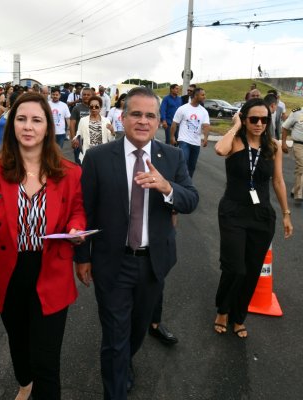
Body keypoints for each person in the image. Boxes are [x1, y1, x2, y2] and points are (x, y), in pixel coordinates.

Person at [0, 92, 86, 400]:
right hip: (9, 271)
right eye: (21, 119)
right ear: (11, 125)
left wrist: (76, 226)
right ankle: (25, 381)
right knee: (19, 340)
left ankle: (38, 385)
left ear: (47, 127)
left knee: (47, 361)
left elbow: (77, 208)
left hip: (51, 270)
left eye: (36, 120)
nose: (28, 126)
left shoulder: (70, 173)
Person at [74, 87, 199, 399]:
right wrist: (82, 256)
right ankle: (115, 385)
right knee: (115, 337)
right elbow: (84, 210)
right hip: (112, 263)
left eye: (150, 115)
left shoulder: (172, 157)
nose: (143, 121)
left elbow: (191, 199)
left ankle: (125, 361)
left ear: (158, 121)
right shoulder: (98, 157)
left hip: (153, 263)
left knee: (137, 329)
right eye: (136, 114)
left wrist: (167, 187)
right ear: (123, 117)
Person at [213, 98, 293, 338]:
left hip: (261, 215)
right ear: (245, 119)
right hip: (233, 212)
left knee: (251, 270)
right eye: (253, 119)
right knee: (235, 267)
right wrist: (235, 125)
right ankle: (223, 309)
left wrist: (286, 214)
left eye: (264, 120)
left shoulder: (273, 146)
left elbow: (278, 181)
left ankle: (239, 315)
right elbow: (219, 149)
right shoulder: (235, 142)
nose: (259, 124)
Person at [170, 87, 210, 178]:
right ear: (196, 96)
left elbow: (206, 125)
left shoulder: (203, 111)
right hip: (184, 140)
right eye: (202, 95)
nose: (204, 97)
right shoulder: (183, 109)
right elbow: (174, 123)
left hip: (196, 142)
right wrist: (172, 137)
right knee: (184, 163)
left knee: (192, 166)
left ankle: (188, 184)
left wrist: (205, 138)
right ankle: (180, 181)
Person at [73, 95, 114, 162]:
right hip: (88, 153)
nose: (94, 108)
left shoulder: (106, 121)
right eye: (91, 106)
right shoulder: (83, 120)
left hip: (102, 154)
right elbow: (79, 135)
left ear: (100, 108)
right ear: (89, 107)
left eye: (96, 106)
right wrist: (76, 139)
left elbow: (111, 140)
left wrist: (112, 131)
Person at [281, 106, 303, 203]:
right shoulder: (297, 112)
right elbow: (285, 127)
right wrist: (283, 143)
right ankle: (299, 194)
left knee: (300, 169)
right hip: (299, 145)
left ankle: (295, 189)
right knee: (302, 166)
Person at [69, 87, 92, 164]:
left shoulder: (95, 108)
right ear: (81, 96)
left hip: (92, 139)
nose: (86, 96)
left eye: (88, 95)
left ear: (92, 96)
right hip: (79, 140)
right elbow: (72, 124)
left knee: (91, 163)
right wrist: (73, 139)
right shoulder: (76, 108)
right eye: (84, 94)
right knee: (79, 163)